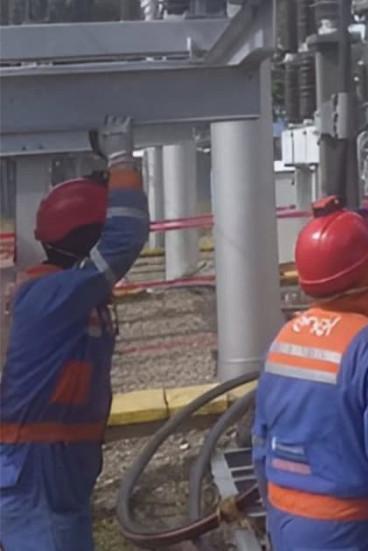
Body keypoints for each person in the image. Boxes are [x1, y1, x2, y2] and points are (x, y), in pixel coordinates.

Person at [0, 116, 150, 551]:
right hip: (36, 472)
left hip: (57, 467)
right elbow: (126, 238)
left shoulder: (61, 292)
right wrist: (122, 160)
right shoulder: (54, 295)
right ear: (90, 237)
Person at [252, 197, 368, 551]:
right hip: (347, 531)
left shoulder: (284, 339)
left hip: (287, 524)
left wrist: (276, 517)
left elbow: (260, 445)